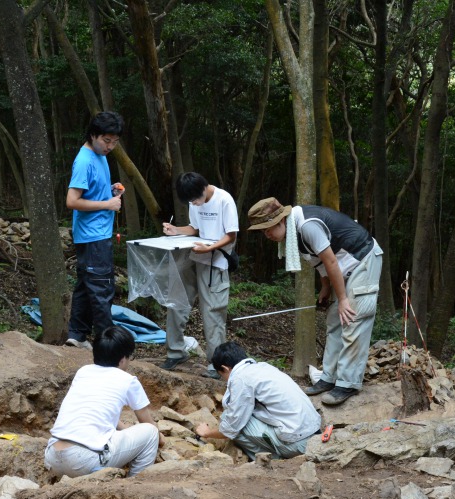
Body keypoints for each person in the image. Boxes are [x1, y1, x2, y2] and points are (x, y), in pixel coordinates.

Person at [247, 197, 383, 406]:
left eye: (268, 229)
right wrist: (326, 289)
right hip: (341, 266)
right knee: (335, 320)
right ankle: (329, 377)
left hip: (362, 259)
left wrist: (344, 298)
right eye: (263, 231)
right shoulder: (294, 235)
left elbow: (330, 260)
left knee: (353, 318)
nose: (267, 235)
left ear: (281, 220)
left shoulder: (307, 226)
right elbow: (320, 263)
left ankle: (347, 383)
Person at [45, 326, 163, 477]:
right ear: (122, 360)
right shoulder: (128, 380)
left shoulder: (83, 371)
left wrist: (125, 428)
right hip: (84, 462)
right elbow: (148, 423)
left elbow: (100, 414)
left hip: (52, 456)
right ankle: (135, 483)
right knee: (151, 433)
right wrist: (160, 439)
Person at [160, 172, 239, 378]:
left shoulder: (224, 200)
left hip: (215, 261)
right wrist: (175, 230)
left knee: (213, 312)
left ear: (204, 189)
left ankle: (216, 365)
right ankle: (176, 351)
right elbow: (194, 228)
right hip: (193, 256)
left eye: (195, 200)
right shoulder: (194, 201)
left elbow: (231, 235)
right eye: (190, 202)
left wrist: (209, 248)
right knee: (177, 302)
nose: (194, 204)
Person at [194, 342, 321, 460]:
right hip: (314, 433)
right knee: (242, 414)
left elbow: (231, 428)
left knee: (235, 423)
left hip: (297, 444)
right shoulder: (262, 367)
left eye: (222, 375)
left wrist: (207, 433)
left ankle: (272, 460)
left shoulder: (241, 379)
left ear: (225, 368)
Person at [65, 111, 126, 350]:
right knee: (102, 290)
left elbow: (90, 192)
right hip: (93, 236)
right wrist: (107, 204)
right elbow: (72, 200)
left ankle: (77, 336)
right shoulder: (85, 160)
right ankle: (107, 348)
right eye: (106, 140)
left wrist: (110, 192)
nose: (110, 146)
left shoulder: (99, 156)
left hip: (96, 233)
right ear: (93, 135)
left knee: (85, 287)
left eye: (115, 141)